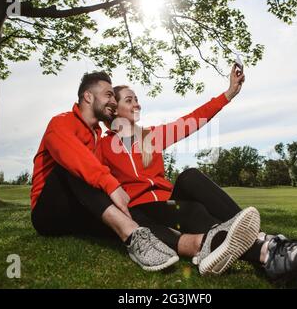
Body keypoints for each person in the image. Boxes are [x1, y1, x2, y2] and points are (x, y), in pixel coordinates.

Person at [98, 65, 297, 279]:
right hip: (142, 211)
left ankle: (263, 241)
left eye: (137, 99)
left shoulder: (151, 136)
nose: (137, 104)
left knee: (190, 176)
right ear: (114, 108)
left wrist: (228, 93)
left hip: (168, 202)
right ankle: (268, 252)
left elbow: (193, 120)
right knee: (192, 212)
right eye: (129, 100)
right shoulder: (103, 145)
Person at [30, 72, 183, 272]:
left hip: (79, 211)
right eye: (108, 95)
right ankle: (132, 235)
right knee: (75, 167)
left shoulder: (98, 136)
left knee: (130, 212)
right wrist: (111, 185)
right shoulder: (61, 122)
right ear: (88, 97)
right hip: (48, 211)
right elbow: (76, 159)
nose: (113, 101)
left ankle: (193, 244)